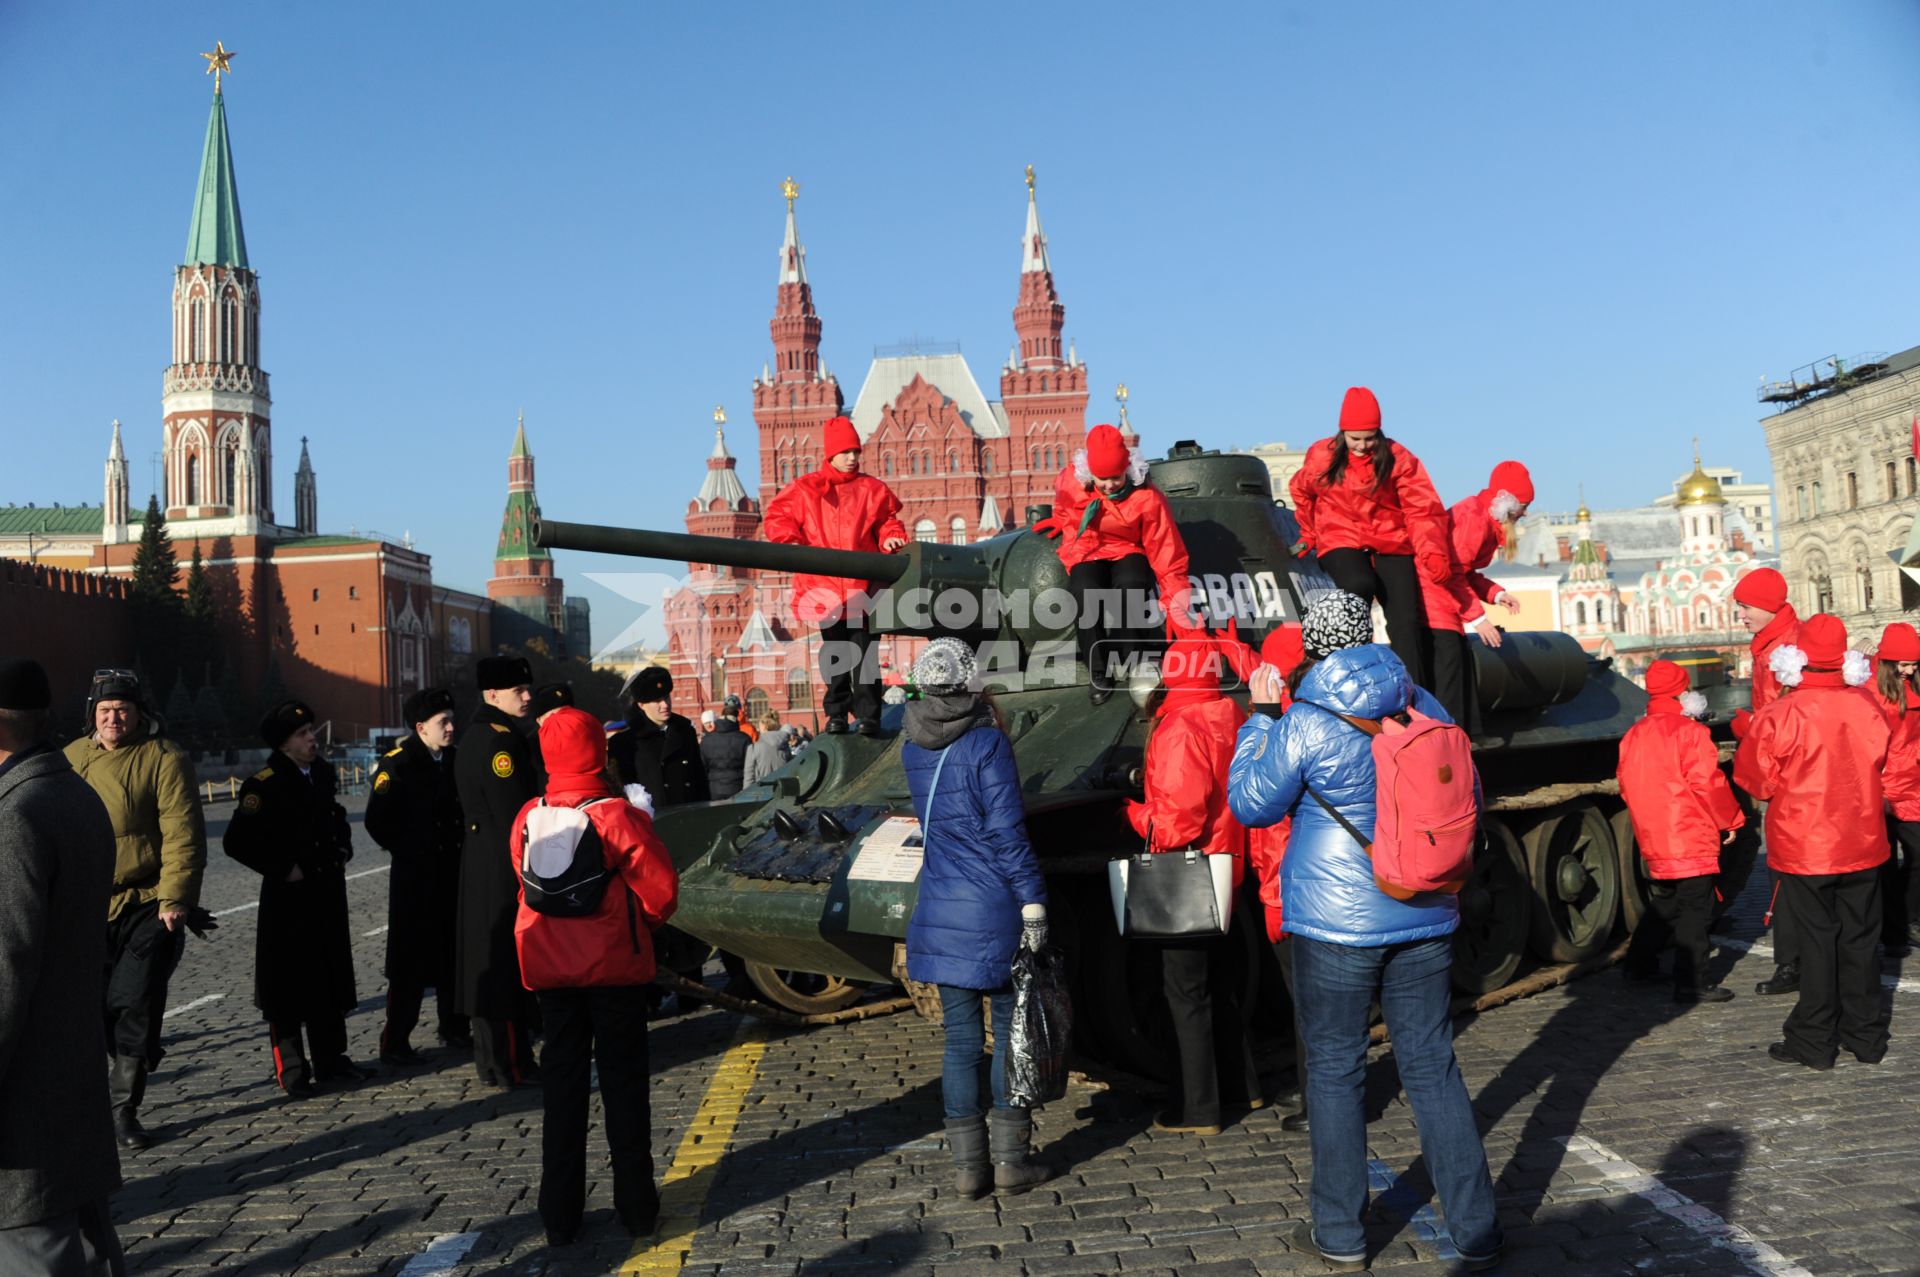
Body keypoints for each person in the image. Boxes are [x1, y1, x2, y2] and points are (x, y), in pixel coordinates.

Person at [1227, 618, 1500, 1273]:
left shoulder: (1306, 718)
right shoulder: (1421, 701)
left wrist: (1260, 719)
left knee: (1335, 1073)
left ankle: (1341, 1233)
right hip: (1427, 910)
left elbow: (1251, 803)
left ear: (1316, 645)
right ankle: (1478, 1229)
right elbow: (1469, 793)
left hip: (1335, 921)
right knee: (1433, 1067)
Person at [509, 707, 678, 1246]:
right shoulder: (615, 814)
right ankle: (636, 1207)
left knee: (562, 1092)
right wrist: (635, 925)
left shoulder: (528, 815)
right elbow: (661, 891)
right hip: (613, 970)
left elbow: (522, 874)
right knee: (625, 1088)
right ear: (597, 753)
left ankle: (560, 1215)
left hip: (552, 974)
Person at [902, 638, 1052, 1198]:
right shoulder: (987, 743)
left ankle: (969, 1171)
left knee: (961, 1041)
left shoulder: (912, 745)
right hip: (992, 907)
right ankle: (1012, 1161)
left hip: (939, 904)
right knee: (1011, 1035)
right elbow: (1006, 833)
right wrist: (1033, 901)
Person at [0, 660, 128, 1276]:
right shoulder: (74, 792)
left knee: (36, 1254)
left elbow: (5, 970)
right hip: (71, 1080)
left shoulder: (13, 817)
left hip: (22, 1110)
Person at [1733, 613, 1892, 1070]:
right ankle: (1865, 1036)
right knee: (1861, 939)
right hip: (1862, 839)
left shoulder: (1782, 714)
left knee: (1817, 940)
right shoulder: (1866, 707)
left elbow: (1756, 782)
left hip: (1806, 846)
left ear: (1797, 658)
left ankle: (1814, 1038)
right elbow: (1880, 761)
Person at [1124, 624, 1259, 1135]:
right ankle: (1245, 1085)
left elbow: (1179, 819)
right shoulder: (1231, 712)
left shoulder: (1180, 725)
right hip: (1230, 861)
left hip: (1192, 869)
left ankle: (1199, 1108)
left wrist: (1135, 814)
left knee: (1185, 991)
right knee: (1219, 985)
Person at [64, 669, 206, 1151]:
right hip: (86, 904)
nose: (113, 718)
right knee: (95, 1005)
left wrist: (176, 898)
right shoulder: (71, 759)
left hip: (147, 902)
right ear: (92, 715)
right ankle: (126, 1063)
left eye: (122, 709)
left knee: (135, 1000)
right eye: (104, 710)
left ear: (138, 712)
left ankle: (123, 1110)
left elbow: (182, 831)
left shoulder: (164, 757)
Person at [224, 701, 372, 1095]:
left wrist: (342, 848)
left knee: (328, 976)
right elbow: (237, 841)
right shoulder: (265, 783)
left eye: (310, 731)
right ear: (284, 744)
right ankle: (292, 1070)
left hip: (326, 892)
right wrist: (282, 867)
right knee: (286, 985)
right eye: (302, 734)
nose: (312, 739)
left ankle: (331, 1060)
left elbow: (335, 817)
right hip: (288, 901)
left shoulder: (321, 774)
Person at [1287, 386, 1451, 691]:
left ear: (1380, 432)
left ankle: (1413, 693)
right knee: (1359, 585)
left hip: (1390, 537)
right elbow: (1301, 491)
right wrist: (1309, 532)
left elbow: (1422, 508)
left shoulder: (1398, 458)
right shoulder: (1323, 457)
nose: (1362, 446)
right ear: (1342, 433)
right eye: (1355, 439)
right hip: (1340, 534)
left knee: (1405, 620)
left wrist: (1433, 552)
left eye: (1370, 438)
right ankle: (1357, 679)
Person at [763, 414, 908, 735]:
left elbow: (888, 521)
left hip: (863, 587)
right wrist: (790, 541)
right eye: (846, 453)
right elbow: (778, 517)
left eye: (856, 452)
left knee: (866, 652)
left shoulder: (872, 489)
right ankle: (838, 713)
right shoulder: (806, 489)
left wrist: (890, 537)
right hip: (824, 587)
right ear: (830, 455)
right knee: (836, 652)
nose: (853, 458)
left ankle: (870, 715)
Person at [1038, 423, 1193, 704]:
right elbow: (1064, 504)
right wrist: (1060, 519)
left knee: (1132, 584)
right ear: (1089, 473)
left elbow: (1165, 547)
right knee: (1084, 590)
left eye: (1116, 477)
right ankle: (1098, 669)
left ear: (1128, 470)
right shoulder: (1071, 482)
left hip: (1128, 547)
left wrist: (1177, 599)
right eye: (1102, 478)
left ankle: (1134, 659)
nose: (1109, 485)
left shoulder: (1146, 497)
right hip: (1088, 547)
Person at [1616, 661, 1743, 1003]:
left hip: (1655, 832)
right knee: (1695, 909)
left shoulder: (1635, 733)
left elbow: (1626, 785)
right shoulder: (1689, 732)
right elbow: (1708, 783)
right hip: (1690, 831)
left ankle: (1639, 964)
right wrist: (1729, 820)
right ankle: (1691, 982)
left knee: (1667, 901)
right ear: (1683, 693)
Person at [365, 687, 469, 1064]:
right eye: (443, 722)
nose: (451, 727)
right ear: (421, 727)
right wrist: (411, 850)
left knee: (452, 955)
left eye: (452, 720)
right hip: (416, 879)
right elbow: (378, 820)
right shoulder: (399, 763)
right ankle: (396, 1041)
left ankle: (455, 1026)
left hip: (452, 873)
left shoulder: (455, 759)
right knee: (409, 964)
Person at [454, 655, 543, 1088]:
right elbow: (516, 816)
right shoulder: (500, 743)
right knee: (503, 968)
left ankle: (496, 1061)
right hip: (503, 866)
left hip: (483, 863)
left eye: (528, 689)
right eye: (518, 692)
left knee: (488, 966)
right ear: (492, 694)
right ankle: (510, 1063)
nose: (528, 697)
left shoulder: (481, 734)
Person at [1240, 622, 1311, 1133]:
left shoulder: (1277, 734)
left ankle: (1321, 1102)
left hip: (1292, 890)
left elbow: (1272, 834)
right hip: (1333, 885)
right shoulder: (1323, 719)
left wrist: (1274, 901)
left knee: (1309, 1005)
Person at [1730, 567, 1802, 996]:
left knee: (1789, 869)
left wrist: (1752, 730)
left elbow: (1787, 718)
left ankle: (1793, 963)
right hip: (1788, 774)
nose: (1740, 615)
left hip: (1791, 779)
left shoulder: (1785, 648)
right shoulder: (1771, 643)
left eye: (1745, 607)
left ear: (1767, 606)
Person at [1420, 462, 1532, 727]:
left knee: (1457, 670)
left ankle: (1458, 735)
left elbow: (1465, 571)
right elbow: (1453, 574)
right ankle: (1451, 737)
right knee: (1450, 673)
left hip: (1442, 602)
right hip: (1435, 603)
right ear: (1508, 503)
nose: (1526, 513)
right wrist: (1478, 619)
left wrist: (1495, 594)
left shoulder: (1483, 518)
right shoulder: (1474, 520)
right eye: (1524, 506)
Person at [1873, 623, 1920, 952]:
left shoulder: (1915, 684)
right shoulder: (1869, 693)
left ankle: (1908, 915)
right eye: (1904, 665)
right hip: (1883, 788)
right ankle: (1892, 931)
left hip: (1914, 785)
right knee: (1884, 865)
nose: (1909, 671)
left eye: (1914, 665)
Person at [606, 667, 709, 806]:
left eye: (666, 698)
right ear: (641, 705)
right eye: (657, 701)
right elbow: (621, 789)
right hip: (652, 818)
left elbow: (700, 779)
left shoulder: (685, 731)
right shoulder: (625, 742)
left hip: (687, 813)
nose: (665, 705)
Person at [700, 694, 752, 800]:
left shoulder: (706, 740)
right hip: (738, 788)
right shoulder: (744, 739)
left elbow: (702, 767)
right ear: (736, 718)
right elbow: (750, 766)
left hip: (714, 789)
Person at [743, 715, 791, 788]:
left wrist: (746, 796)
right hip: (783, 791)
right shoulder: (785, 745)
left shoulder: (753, 748)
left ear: (763, 726)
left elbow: (749, 778)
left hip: (761, 793)